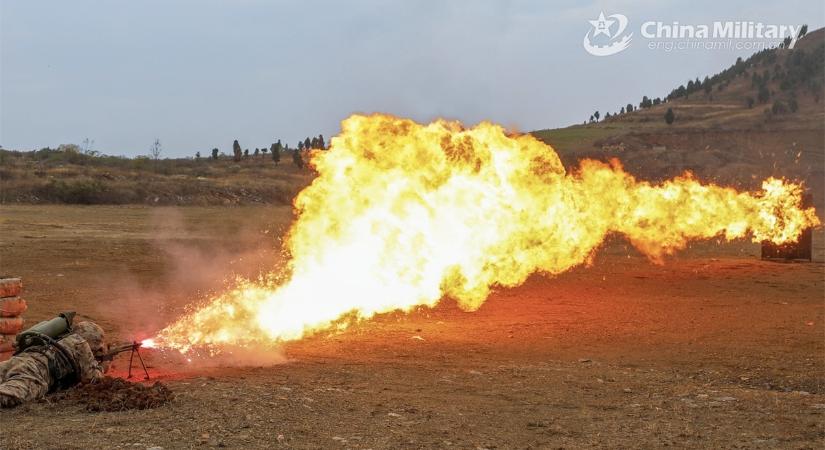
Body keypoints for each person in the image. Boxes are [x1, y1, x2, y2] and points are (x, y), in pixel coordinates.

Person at [0, 321, 108, 408]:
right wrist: (103, 367)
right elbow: (91, 378)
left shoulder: (58, 339)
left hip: (18, 361)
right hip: (34, 372)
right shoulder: (81, 344)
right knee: (7, 396)